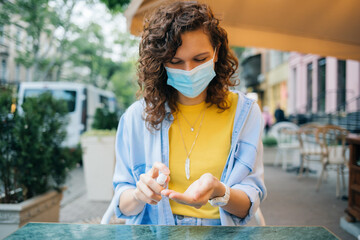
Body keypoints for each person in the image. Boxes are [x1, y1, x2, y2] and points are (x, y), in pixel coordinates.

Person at [112, 1, 266, 226]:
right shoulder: (137, 117)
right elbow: (121, 203)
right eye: (175, 62)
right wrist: (139, 194)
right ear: (160, 63)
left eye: (200, 59)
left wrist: (220, 192)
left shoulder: (244, 112)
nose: (189, 71)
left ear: (217, 52)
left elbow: (249, 205)